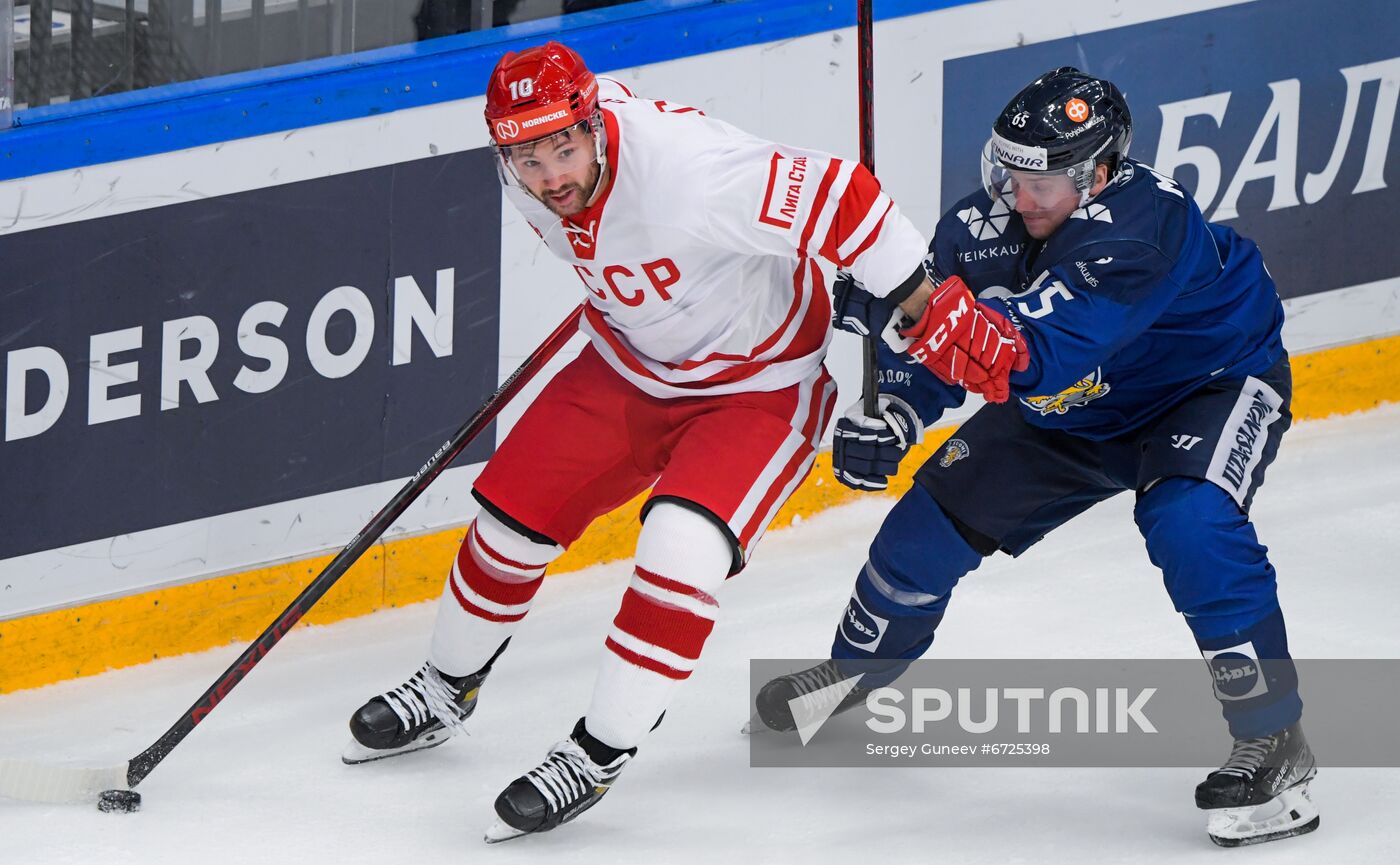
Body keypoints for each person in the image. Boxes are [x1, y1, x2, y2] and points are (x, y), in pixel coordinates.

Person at [341, 41, 952, 842]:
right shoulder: (528, 173)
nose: (552, 175)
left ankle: (596, 753)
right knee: (507, 521)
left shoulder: (686, 171)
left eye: (565, 147)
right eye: (528, 157)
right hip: (628, 364)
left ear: (595, 124)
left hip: (757, 389)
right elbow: (600, 236)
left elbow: (844, 198)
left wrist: (918, 300)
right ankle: (445, 687)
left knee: (678, 550)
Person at [751, 67, 1317, 848]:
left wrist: (902, 304)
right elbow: (945, 334)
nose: (1019, 196)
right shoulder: (988, 220)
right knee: (922, 531)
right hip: (1071, 412)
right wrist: (896, 407)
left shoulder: (1143, 227)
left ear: (1098, 173)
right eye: (1010, 171)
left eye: (1040, 180)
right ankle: (859, 668)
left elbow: (1025, 353)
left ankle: (1275, 739)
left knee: (1188, 519)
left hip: (1206, 385)